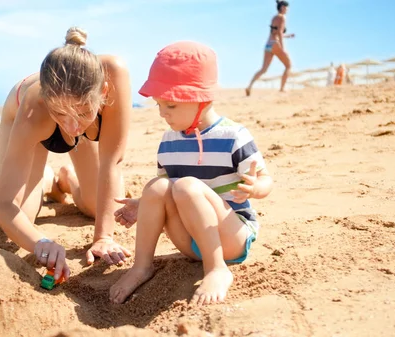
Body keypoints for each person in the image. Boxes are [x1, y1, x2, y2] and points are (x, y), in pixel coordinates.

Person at [109, 41, 274, 306]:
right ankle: (142, 266)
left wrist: (255, 188)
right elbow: (165, 193)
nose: (163, 113)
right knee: (156, 187)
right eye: (158, 105)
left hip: (230, 235)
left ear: (202, 99)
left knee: (186, 186)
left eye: (171, 106)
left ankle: (217, 268)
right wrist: (143, 205)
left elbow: (266, 180)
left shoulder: (233, 136)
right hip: (190, 239)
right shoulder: (169, 141)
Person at [0, 27, 132, 282]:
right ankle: (44, 179)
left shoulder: (114, 77)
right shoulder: (34, 111)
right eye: (61, 116)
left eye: (81, 114)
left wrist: (103, 238)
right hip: (27, 115)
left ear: (102, 94)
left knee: (96, 206)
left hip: (72, 98)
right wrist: (41, 242)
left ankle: (65, 180)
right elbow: (3, 207)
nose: (72, 128)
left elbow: (112, 162)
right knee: (24, 217)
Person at [246, 1, 294, 96]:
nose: (288, 10)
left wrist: (287, 36)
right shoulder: (282, 17)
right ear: (283, 7)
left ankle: (249, 86)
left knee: (263, 69)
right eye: (287, 8)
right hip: (276, 44)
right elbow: (279, 33)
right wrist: (283, 47)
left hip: (268, 44)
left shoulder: (274, 17)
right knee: (288, 65)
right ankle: (282, 88)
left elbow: (275, 32)